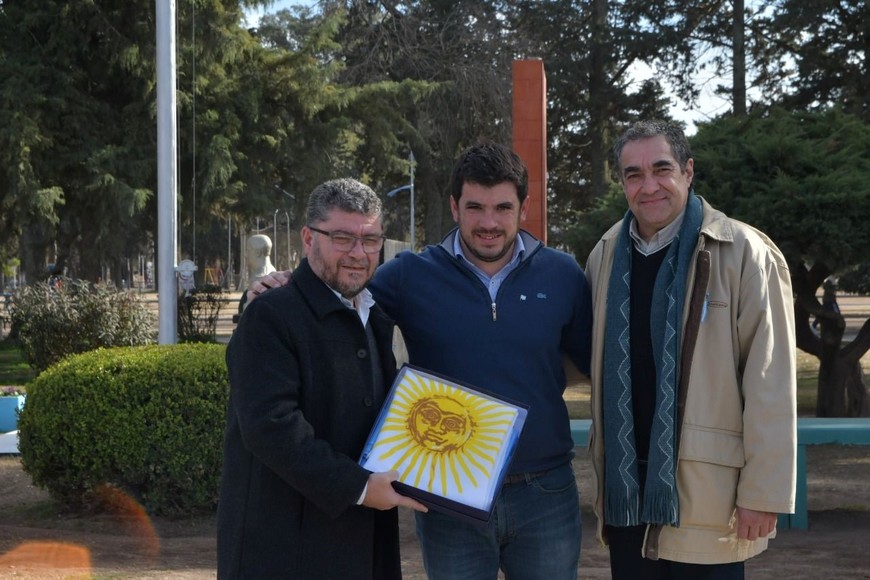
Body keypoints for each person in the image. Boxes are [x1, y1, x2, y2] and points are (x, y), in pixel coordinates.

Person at [249, 143, 593, 579]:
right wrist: (276, 286)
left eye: (503, 207)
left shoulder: (564, 275)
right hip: (447, 495)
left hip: (546, 490)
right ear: (454, 207)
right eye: (475, 207)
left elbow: (584, 362)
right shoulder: (409, 274)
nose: (489, 222)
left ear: (524, 208)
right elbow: (337, 285)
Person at [584, 120, 797, 578]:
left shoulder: (744, 251)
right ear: (622, 182)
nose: (649, 186)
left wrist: (763, 493)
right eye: (633, 174)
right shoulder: (605, 253)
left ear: (688, 171)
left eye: (662, 169)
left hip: (706, 502)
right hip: (626, 496)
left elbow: (770, 381)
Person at [217, 178, 427, 579]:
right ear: (308, 238)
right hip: (284, 549)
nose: (359, 253)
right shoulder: (270, 314)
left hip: (358, 544)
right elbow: (270, 427)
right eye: (343, 238)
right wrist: (360, 488)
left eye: (370, 240)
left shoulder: (373, 314)